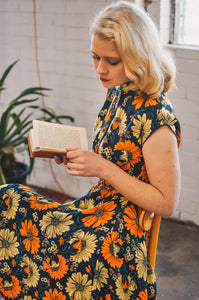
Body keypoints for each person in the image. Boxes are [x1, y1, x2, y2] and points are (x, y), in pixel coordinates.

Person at [0, 1, 181, 299]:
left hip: (119, 230)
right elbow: (114, 158)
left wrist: (102, 168)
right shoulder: (118, 93)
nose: (100, 69)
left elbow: (165, 203)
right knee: (8, 198)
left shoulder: (156, 118)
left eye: (111, 61)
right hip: (96, 207)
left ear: (137, 57)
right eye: (95, 57)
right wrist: (71, 154)